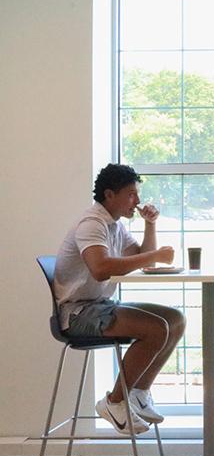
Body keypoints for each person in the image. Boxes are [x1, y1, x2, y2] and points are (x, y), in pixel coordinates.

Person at [55, 163, 184, 434]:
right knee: (156, 328)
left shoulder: (114, 225)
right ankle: (115, 401)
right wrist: (155, 256)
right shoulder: (92, 224)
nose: (136, 201)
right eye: (131, 194)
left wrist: (151, 225)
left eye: (137, 194)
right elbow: (101, 269)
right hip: (77, 314)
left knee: (175, 319)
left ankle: (137, 393)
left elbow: (141, 256)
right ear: (110, 195)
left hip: (99, 307)